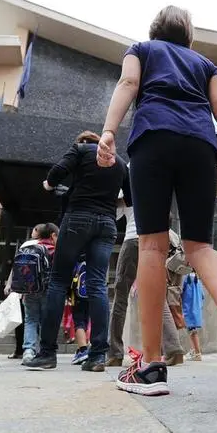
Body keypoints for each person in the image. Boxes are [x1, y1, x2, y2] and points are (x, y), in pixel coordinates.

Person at [97, 5, 217, 397]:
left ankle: (152, 366)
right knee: (200, 245)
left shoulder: (141, 49)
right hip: (199, 145)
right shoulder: (205, 63)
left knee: (153, 245)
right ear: (189, 36)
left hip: (153, 137)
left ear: (155, 30)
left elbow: (127, 86)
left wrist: (108, 132)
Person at [23, 131, 131, 372]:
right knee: (97, 285)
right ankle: (98, 356)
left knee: (58, 282)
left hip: (77, 219)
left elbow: (56, 173)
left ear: (83, 142)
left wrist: (49, 185)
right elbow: (131, 198)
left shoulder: (81, 150)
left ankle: (47, 353)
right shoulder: (121, 163)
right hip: (106, 223)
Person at [108, 189, 186, 367]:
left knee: (120, 296)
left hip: (134, 239)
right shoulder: (160, 177)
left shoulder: (129, 175)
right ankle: (174, 349)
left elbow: (117, 214)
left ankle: (114, 353)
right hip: (158, 241)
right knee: (158, 295)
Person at [4, 222, 58, 364]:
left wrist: (12, 285)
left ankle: (28, 350)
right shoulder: (54, 250)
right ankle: (43, 350)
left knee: (30, 320)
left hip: (29, 290)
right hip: (47, 290)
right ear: (53, 235)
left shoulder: (28, 247)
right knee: (45, 321)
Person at [181, 271, 205, 361]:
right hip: (196, 309)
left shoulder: (185, 278)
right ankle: (195, 351)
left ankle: (197, 353)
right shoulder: (198, 280)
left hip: (187, 308)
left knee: (191, 331)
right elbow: (202, 296)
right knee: (192, 330)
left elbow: (180, 292)